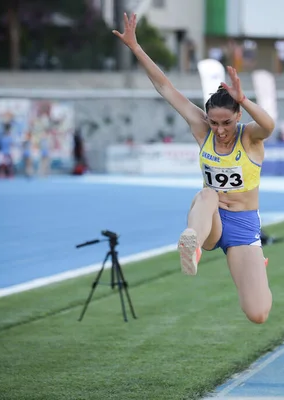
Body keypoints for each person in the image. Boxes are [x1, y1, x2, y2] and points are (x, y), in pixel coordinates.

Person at [113, 13, 275, 324]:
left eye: (226, 122)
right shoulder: (203, 129)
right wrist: (135, 47)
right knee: (208, 193)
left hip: (243, 227)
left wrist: (245, 98)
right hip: (209, 220)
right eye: (214, 122)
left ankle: (256, 268)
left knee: (258, 313)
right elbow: (166, 87)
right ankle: (192, 244)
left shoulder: (250, 138)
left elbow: (269, 124)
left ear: (238, 116)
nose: (219, 130)